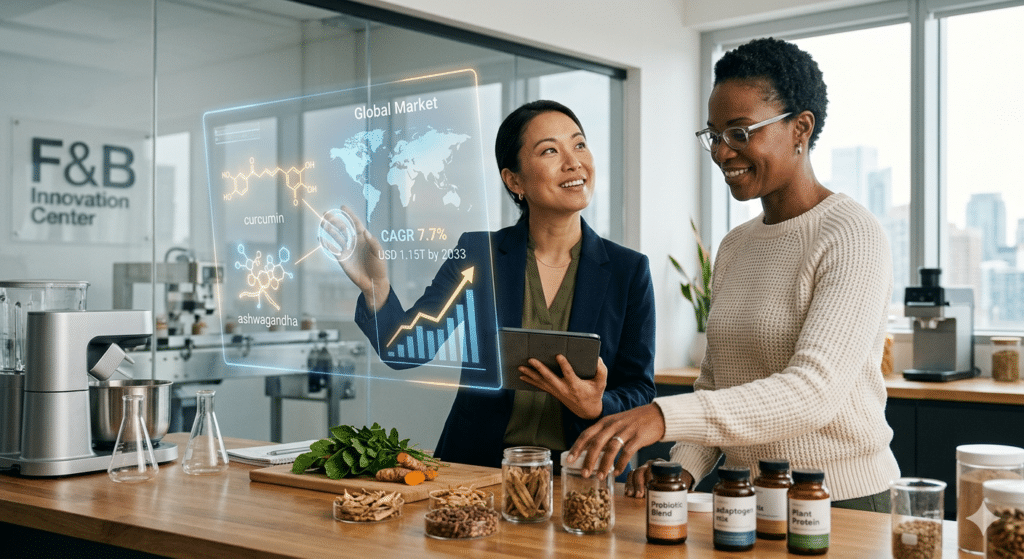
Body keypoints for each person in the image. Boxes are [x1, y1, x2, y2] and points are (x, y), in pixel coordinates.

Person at [566, 37, 900, 511]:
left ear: (800, 128)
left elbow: (813, 392)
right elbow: (720, 387)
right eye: (714, 135)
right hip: (743, 499)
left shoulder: (851, 234)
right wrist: (685, 466)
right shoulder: (735, 246)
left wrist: (662, 416)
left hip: (839, 500)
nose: (723, 152)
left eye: (741, 133)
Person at [323, 100, 656, 469]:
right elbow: (407, 350)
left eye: (579, 144)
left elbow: (640, 390)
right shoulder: (479, 255)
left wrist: (597, 405)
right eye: (550, 150)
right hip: (480, 470)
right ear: (514, 181)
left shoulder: (629, 270)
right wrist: (376, 286)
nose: (574, 161)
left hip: (584, 475)